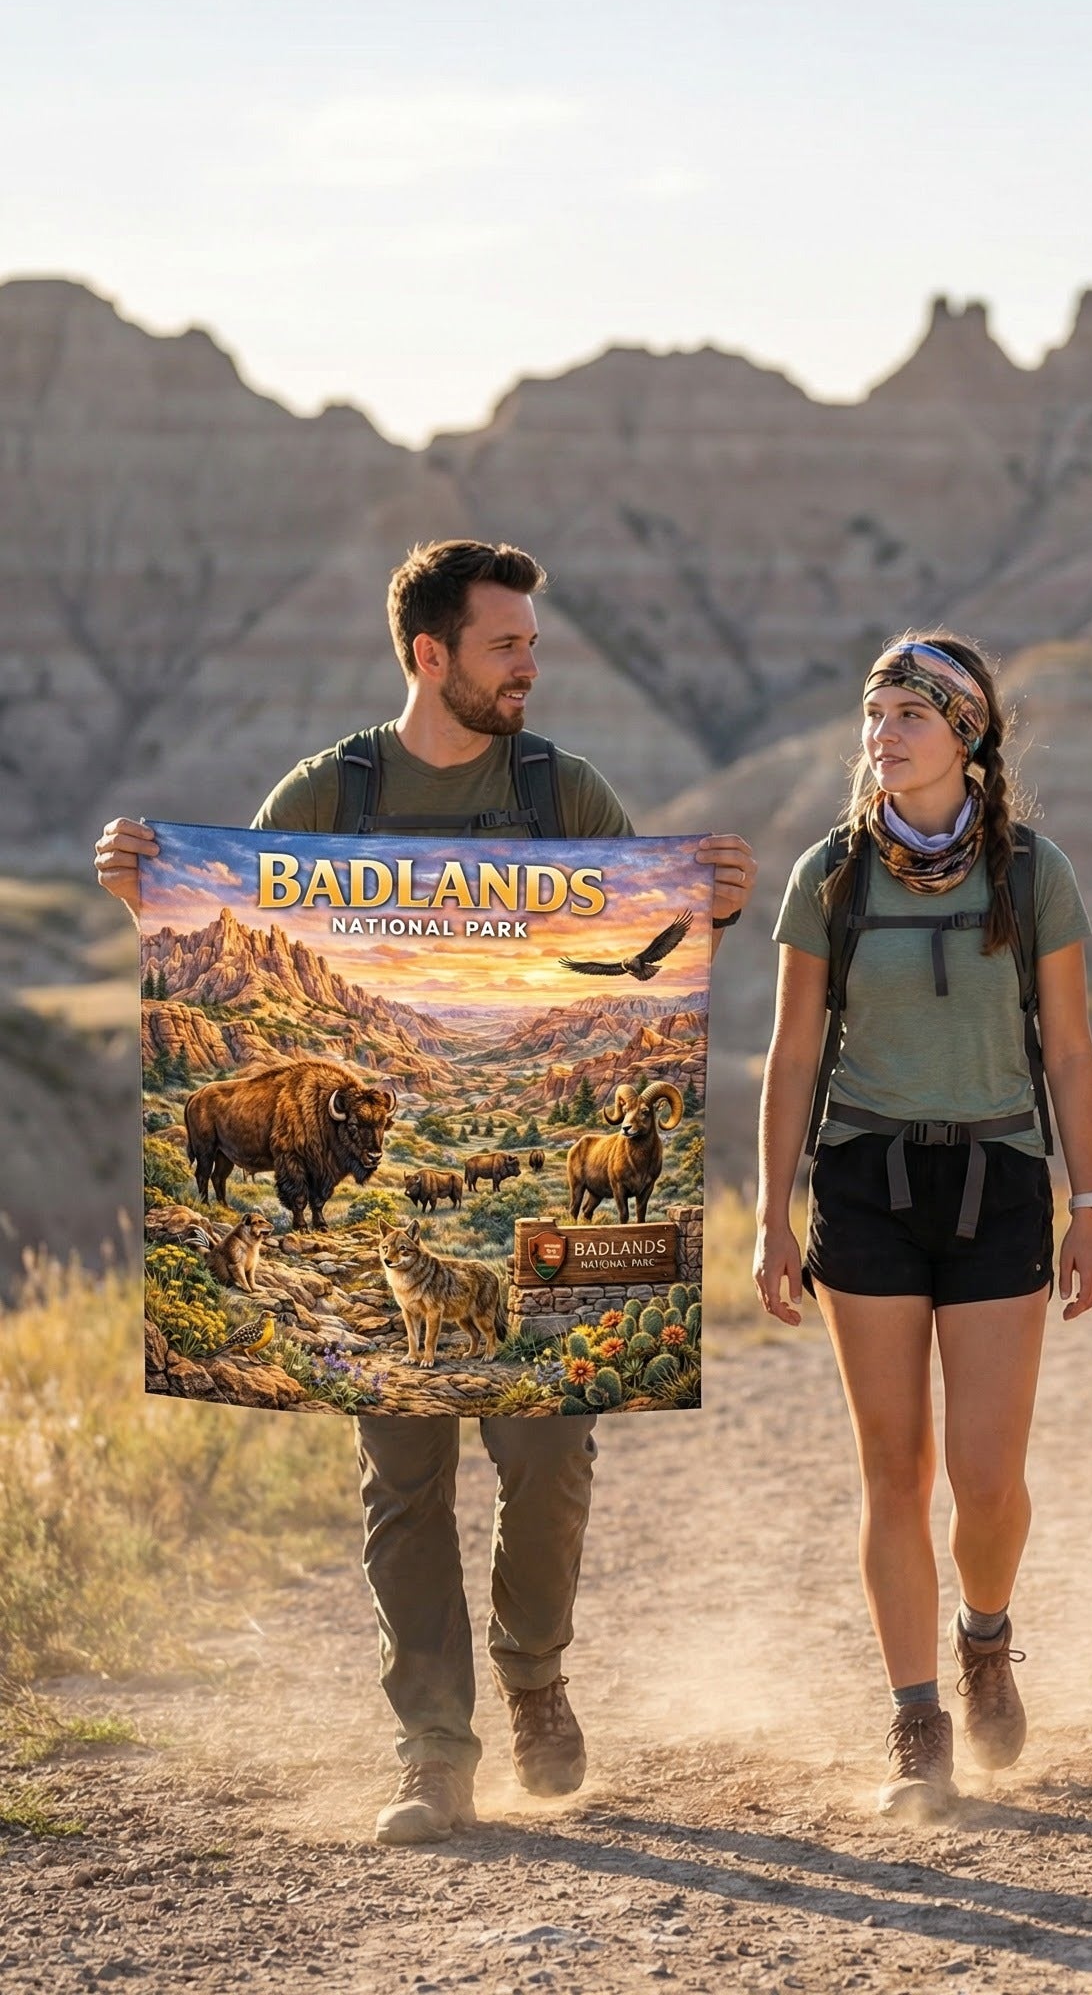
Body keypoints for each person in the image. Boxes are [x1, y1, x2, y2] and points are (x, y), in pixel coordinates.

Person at [96, 538, 759, 1847]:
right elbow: (224, 947)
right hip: (388, 1221)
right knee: (403, 1482)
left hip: (518, 1247)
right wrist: (147, 902)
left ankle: (534, 1670)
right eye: (506, 646)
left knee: (552, 1455)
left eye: (529, 645)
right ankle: (432, 1746)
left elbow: (641, 958)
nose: (530, 667)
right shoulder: (327, 795)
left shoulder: (564, 793)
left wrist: (713, 912)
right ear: (430, 655)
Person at [754, 630, 1092, 1820]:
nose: (882, 735)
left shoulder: (1033, 873)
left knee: (985, 1478)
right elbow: (793, 1051)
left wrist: (1090, 1202)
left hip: (1000, 1179)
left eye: (908, 715)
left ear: (965, 734)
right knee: (892, 1470)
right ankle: (916, 1717)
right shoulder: (829, 875)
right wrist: (769, 1210)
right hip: (863, 1182)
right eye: (873, 714)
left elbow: (1067, 1047)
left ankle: (985, 1631)